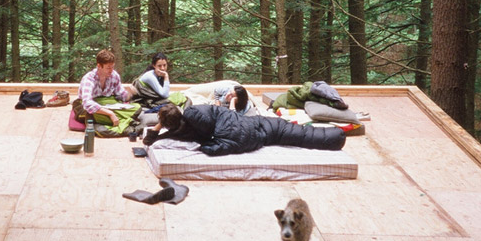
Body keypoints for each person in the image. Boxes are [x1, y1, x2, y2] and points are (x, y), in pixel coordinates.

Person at [143, 103, 346, 156]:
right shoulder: (192, 113)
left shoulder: (179, 132)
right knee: (296, 132)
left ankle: (336, 136)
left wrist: (159, 126)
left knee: (295, 135)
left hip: (247, 131)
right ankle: (337, 136)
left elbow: (149, 140)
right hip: (252, 126)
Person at [73, 49, 137, 129]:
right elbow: (87, 103)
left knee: (137, 108)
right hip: (88, 107)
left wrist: (129, 93)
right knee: (92, 113)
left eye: (112, 67)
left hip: (107, 104)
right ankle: (122, 119)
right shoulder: (89, 79)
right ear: (99, 66)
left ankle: (117, 119)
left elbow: (121, 96)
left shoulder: (114, 76)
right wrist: (110, 113)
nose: (111, 70)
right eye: (108, 68)